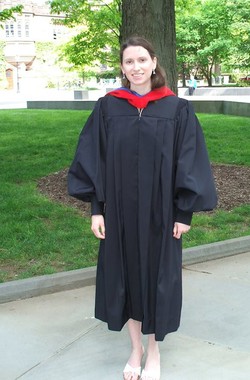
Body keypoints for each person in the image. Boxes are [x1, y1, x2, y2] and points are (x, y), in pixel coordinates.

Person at [68, 36, 217, 380]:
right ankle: (135, 348)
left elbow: (189, 162)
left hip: (161, 215)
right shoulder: (108, 107)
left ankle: (154, 351)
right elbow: (94, 161)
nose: (135, 67)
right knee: (126, 278)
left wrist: (183, 213)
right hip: (118, 212)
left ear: (154, 62)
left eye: (141, 60)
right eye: (128, 62)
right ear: (122, 68)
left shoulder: (176, 110)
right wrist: (96, 209)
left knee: (157, 279)